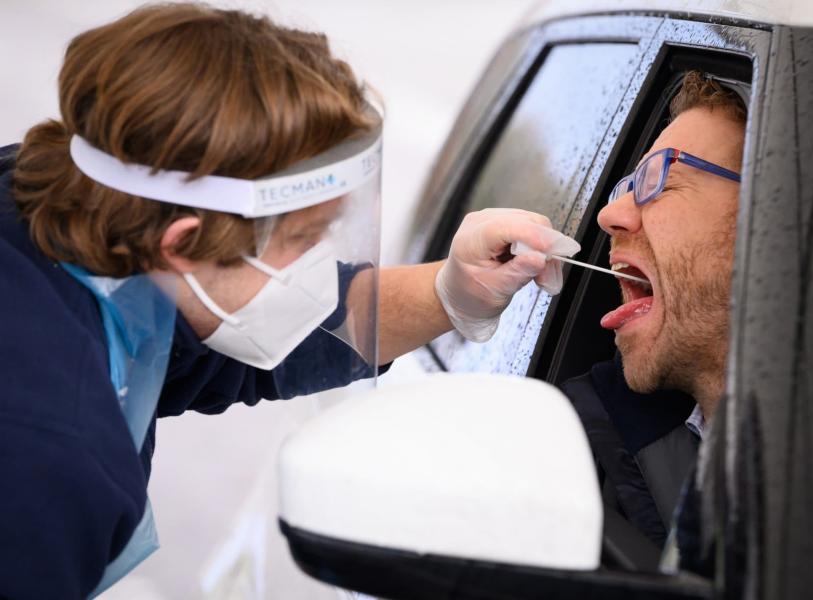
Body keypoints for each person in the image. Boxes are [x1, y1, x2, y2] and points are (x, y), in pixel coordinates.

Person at [0, 5, 577, 598]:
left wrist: (452, 292)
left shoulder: (76, 214)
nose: (320, 264)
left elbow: (269, 335)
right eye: (302, 239)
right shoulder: (42, 460)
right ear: (183, 242)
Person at [559, 70, 746, 568]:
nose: (609, 214)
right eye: (627, 185)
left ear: (771, 220)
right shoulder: (571, 463)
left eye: (657, 178)